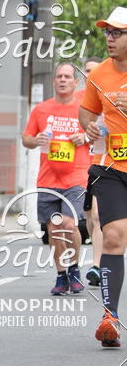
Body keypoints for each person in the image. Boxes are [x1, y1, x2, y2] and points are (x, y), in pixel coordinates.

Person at [79, 8, 127, 347]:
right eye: (107, 32)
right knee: (113, 237)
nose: (110, 38)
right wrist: (90, 125)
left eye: (117, 33)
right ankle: (109, 316)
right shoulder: (100, 74)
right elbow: (86, 112)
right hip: (112, 168)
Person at [22, 62, 89, 295]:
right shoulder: (41, 109)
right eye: (59, 76)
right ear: (54, 81)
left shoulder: (84, 108)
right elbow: (26, 139)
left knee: (69, 224)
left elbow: (98, 131)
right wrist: (37, 139)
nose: (62, 80)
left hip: (76, 175)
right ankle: (61, 276)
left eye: (67, 76)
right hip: (48, 178)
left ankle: (75, 270)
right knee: (54, 228)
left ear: (75, 82)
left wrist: (83, 136)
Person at [77, 57, 103, 287]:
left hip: (108, 165)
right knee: (91, 220)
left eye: (94, 71)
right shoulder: (78, 100)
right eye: (86, 71)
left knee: (97, 215)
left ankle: (98, 265)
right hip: (85, 169)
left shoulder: (111, 95)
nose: (90, 75)